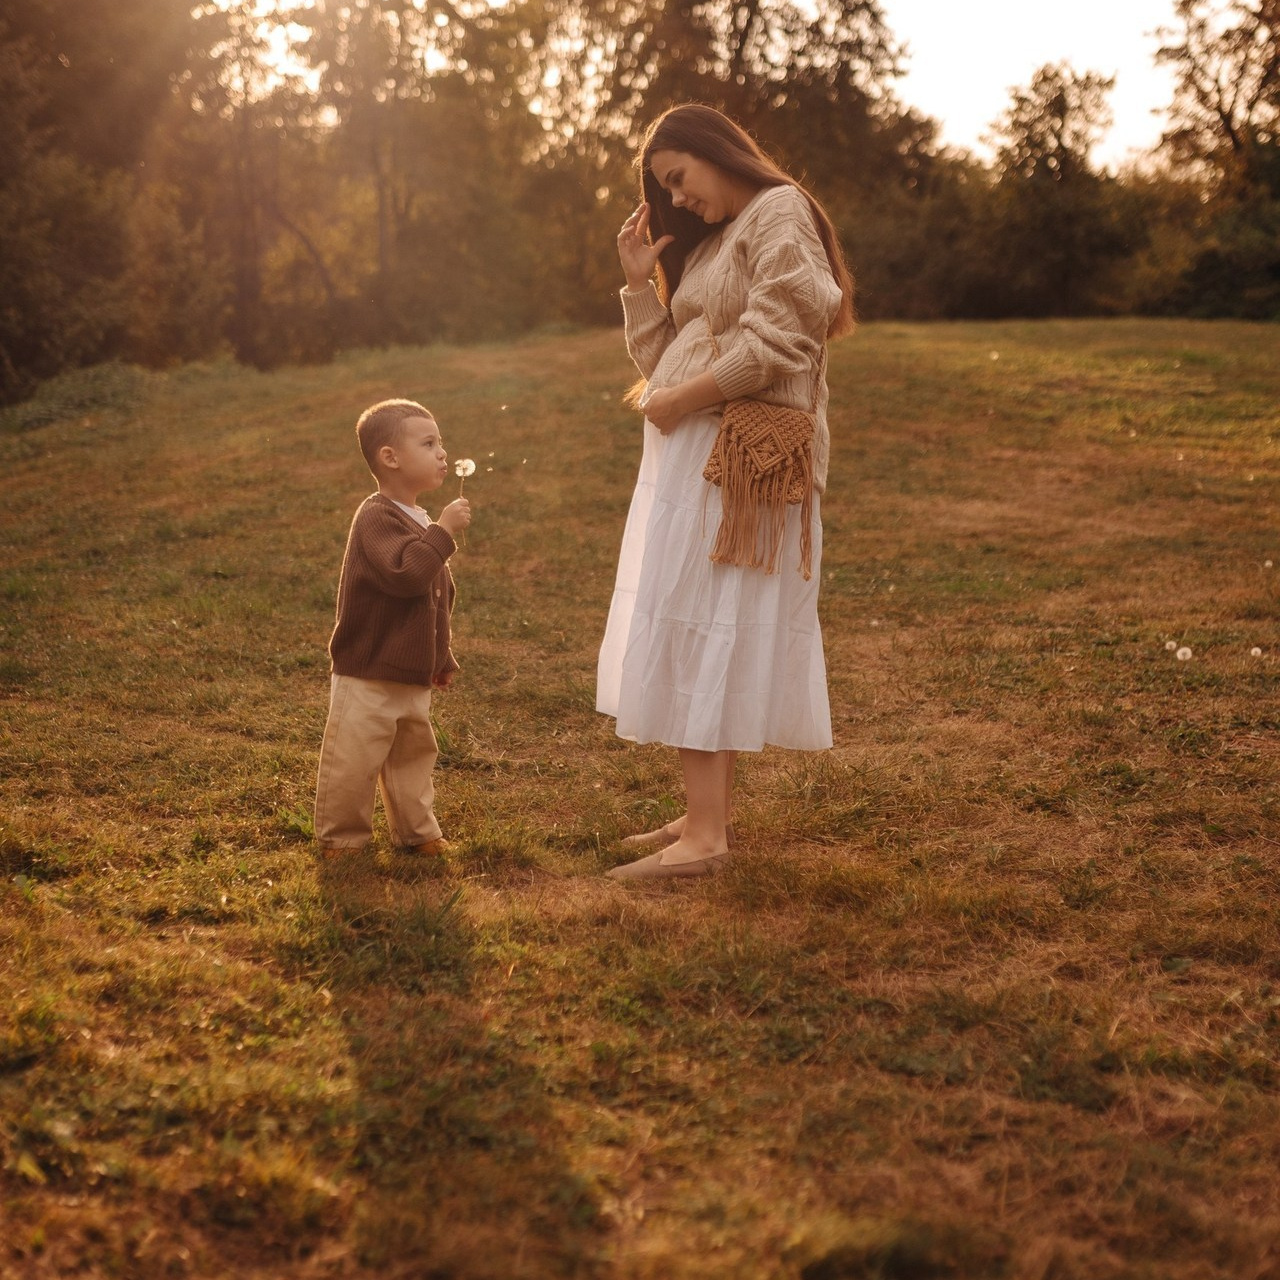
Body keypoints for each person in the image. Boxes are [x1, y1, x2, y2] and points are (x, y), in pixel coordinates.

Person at [597, 103, 855, 881]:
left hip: (730, 458)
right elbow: (665, 357)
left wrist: (681, 402)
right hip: (694, 457)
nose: (679, 200)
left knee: (701, 622)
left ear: (717, 150)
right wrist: (640, 286)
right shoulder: (718, 242)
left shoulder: (779, 211)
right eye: (666, 190)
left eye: (680, 178)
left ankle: (706, 840)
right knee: (688, 623)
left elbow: (784, 343)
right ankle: (702, 813)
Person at [313, 398, 472, 860]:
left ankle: (418, 832)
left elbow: (436, 601)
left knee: (413, 759)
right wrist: (442, 533)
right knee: (354, 758)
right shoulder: (377, 516)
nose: (442, 453)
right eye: (428, 443)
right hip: (368, 671)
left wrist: (440, 658)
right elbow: (406, 577)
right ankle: (342, 838)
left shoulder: (418, 519)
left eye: (441, 443)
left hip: (411, 672)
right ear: (390, 457)